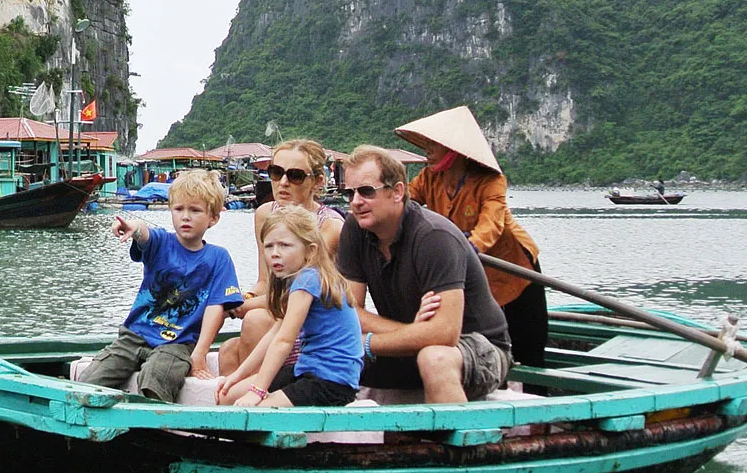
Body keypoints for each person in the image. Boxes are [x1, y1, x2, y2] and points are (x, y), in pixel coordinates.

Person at [336, 145, 513, 404]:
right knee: (320, 350)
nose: (356, 202)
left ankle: (460, 443)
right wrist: (415, 332)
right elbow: (349, 312)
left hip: (477, 347)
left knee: (435, 358)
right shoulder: (355, 228)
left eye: (366, 192)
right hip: (411, 343)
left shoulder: (434, 237)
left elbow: (445, 334)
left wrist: (368, 343)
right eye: (348, 193)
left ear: (397, 192)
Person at [396, 106, 548, 367]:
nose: (427, 151)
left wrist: (471, 247)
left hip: (514, 269)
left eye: (434, 145)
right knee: (479, 340)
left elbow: (492, 223)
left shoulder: (490, 180)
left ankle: (540, 400)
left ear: (452, 149)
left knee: (529, 345)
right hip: (474, 273)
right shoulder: (429, 178)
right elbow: (404, 201)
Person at [78, 169, 244, 402]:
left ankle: (153, 422)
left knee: (158, 375)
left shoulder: (218, 258)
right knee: (94, 376)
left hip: (179, 343)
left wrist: (200, 353)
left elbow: (216, 309)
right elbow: (144, 234)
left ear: (213, 218)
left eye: (195, 210)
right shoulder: (161, 242)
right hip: (136, 334)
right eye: (179, 209)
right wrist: (134, 227)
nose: (185, 217)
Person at [217, 139, 345, 376]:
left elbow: (297, 295)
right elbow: (266, 282)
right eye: (276, 173)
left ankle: (257, 396)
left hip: (309, 320)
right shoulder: (266, 214)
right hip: (277, 308)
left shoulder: (329, 227)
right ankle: (236, 406)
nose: (283, 183)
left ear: (317, 181)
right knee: (227, 350)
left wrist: (242, 308)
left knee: (255, 321)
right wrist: (238, 299)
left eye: (295, 176)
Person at [216, 206, 363, 407]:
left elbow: (284, 341)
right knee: (228, 395)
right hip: (306, 370)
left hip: (330, 382)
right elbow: (274, 334)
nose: (275, 254)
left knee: (251, 410)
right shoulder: (294, 277)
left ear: (310, 251)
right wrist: (237, 376)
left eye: (285, 245)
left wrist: (257, 392)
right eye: (269, 246)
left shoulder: (308, 279)